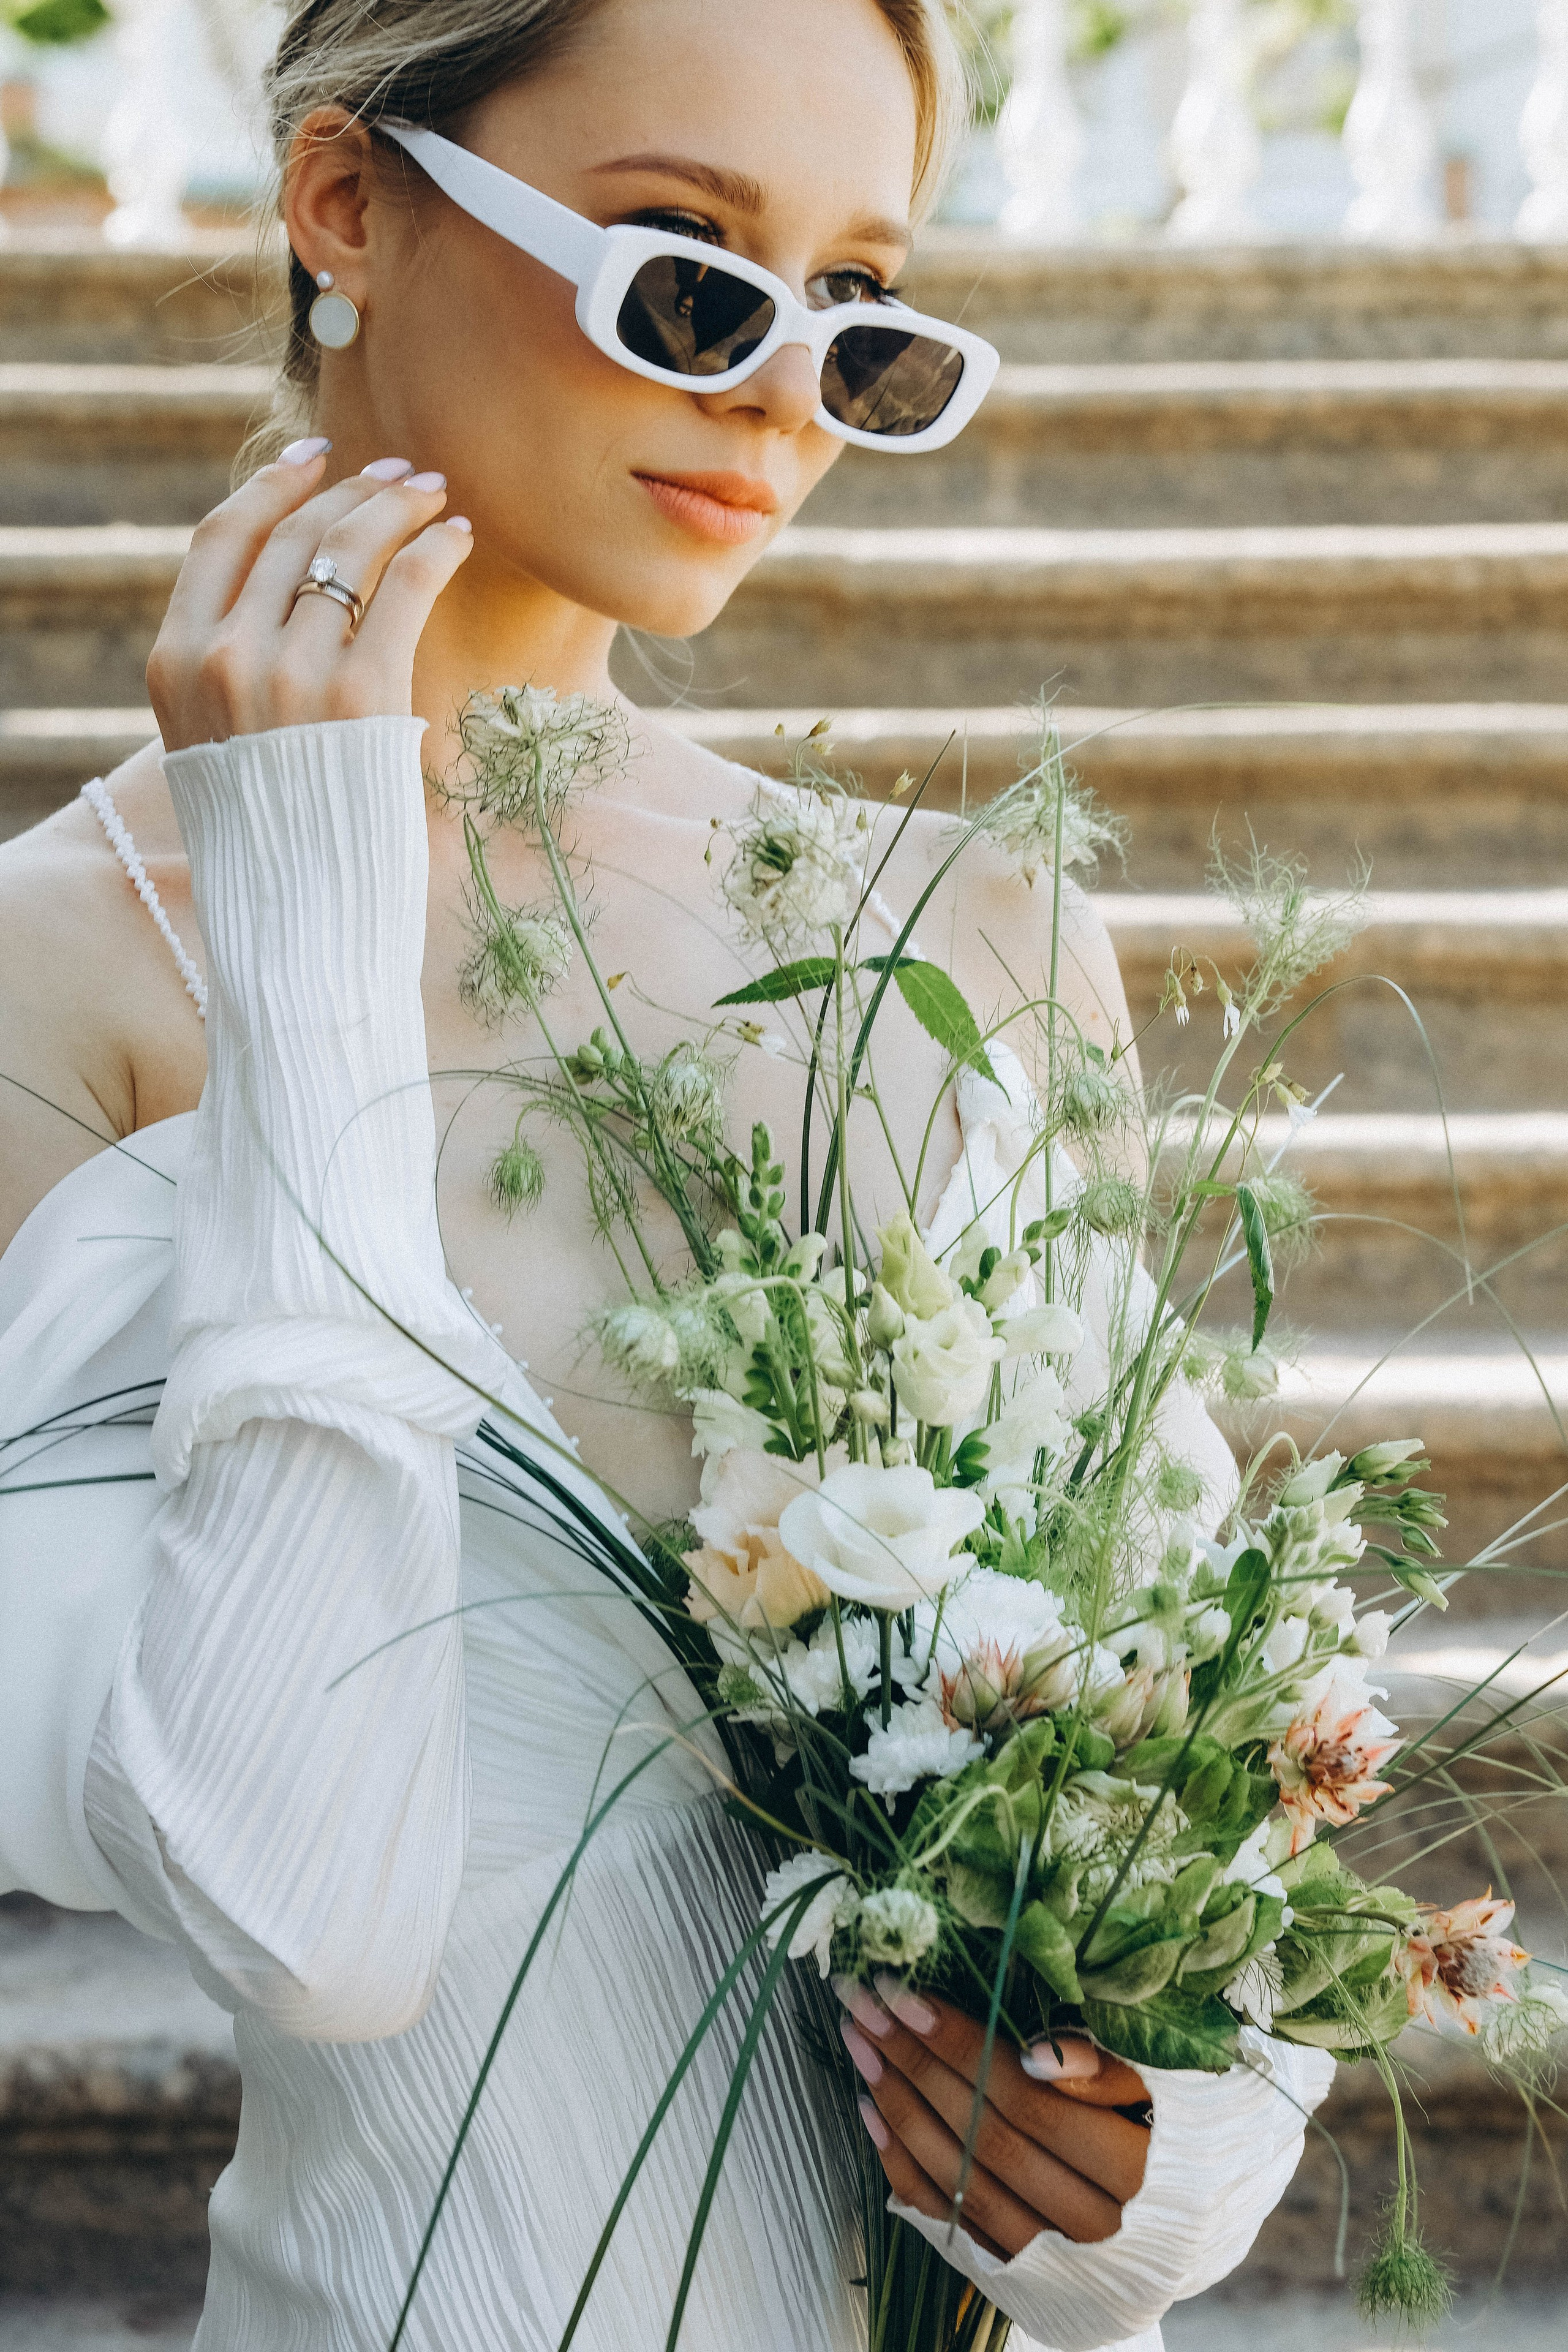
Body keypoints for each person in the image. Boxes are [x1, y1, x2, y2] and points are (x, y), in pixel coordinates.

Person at [0, 3, 1332, 2346]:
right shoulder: (64, 976)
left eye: (863, 316)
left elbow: (1204, 1831)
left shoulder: (970, 937)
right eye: (688, 275)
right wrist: (305, 907)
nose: (785, 396)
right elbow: (304, 1904)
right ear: (348, 204)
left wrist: (1146, 2163)